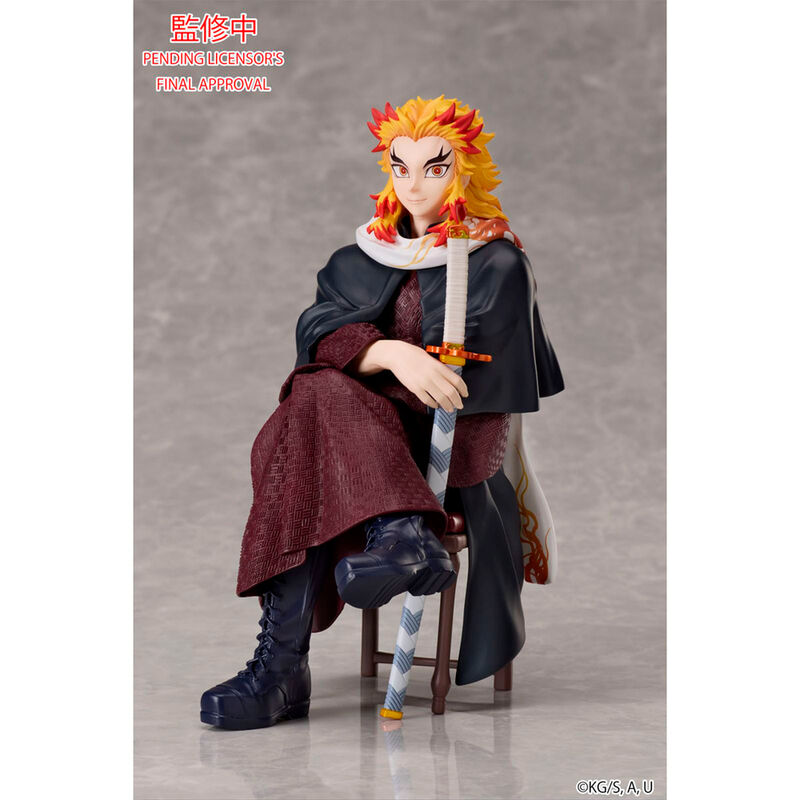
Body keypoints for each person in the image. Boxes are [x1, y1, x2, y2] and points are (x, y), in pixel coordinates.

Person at [200, 96, 564, 730]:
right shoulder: (361, 258)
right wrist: (392, 353)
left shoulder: (497, 261)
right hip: (358, 444)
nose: (414, 185)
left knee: (309, 419)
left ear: (465, 171)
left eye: (434, 167)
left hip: (450, 449)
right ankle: (401, 536)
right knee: (316, 401)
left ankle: (282, 669)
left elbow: (490, 379)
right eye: (401, 167)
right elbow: (318, 333)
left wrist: (405, 369)